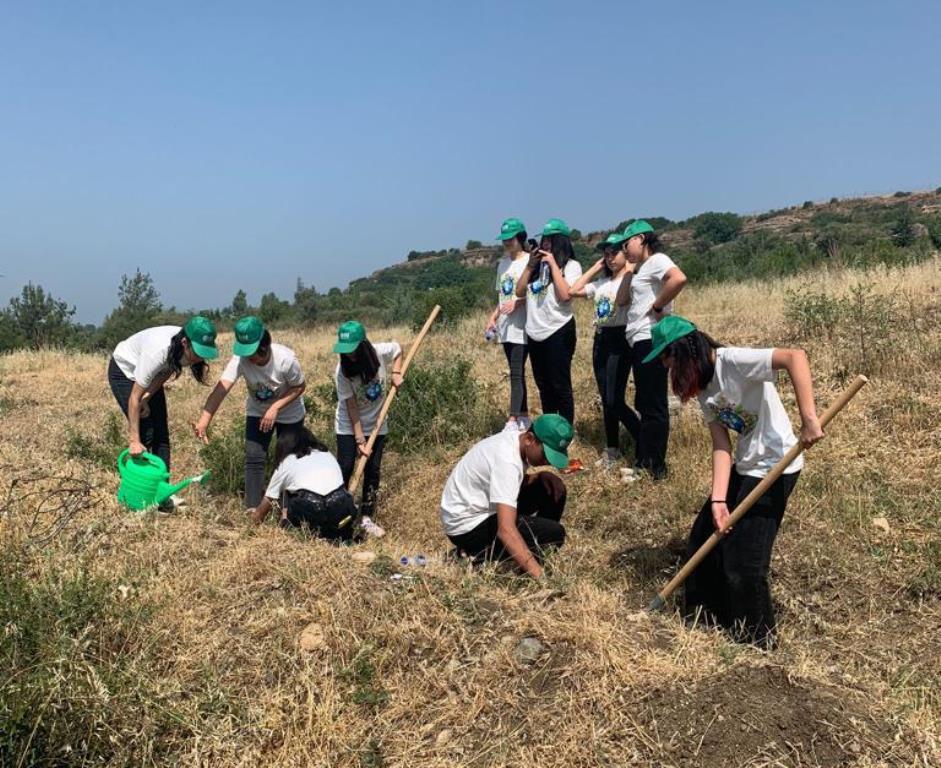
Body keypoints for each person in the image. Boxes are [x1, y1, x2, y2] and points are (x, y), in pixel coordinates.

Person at [646, 315, 824, 648]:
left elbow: (794, 357)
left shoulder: (734, 361)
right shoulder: (702, 386)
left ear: (683, 351)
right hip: (745, 466)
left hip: (777, 466)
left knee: (745, 562)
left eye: (667, 362)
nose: (667, 370)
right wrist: (717, 501)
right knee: (702, 541)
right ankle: (709, 621)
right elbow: (721, 445)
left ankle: (759, 641)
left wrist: (809, 418)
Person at [439, 414, 573, 579]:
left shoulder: (516, 440)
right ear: (530, 439)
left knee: (551, 485)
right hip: (466, 526)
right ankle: (480, 554)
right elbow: (505, 530)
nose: (548, 461)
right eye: (545, 455)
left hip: (481, 507)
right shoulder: (507, 460)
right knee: (553, 534)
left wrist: (537, 479)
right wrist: (542, 579)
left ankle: (527, 554)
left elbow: (509, 482)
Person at [194, 316, 307, 509]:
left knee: (287, 460)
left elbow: (299, 387)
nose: (250, 358)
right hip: (257, 411)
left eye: (253, 353)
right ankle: (253, 508)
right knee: (254, 456)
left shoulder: (285, 360)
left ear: (264, 345)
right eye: (246, 353)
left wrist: (275, 407)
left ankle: (288, 510)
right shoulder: (240, 360)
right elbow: (221, 389)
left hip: (289, 414)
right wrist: (205, 419)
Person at [108, 317, 218, 507]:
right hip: (125, 370)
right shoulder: (158, 352)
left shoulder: (182, 348)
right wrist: (134, 440)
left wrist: (148, 397)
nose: (200, 358)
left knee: (161, 433)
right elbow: (134, 399)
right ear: (185, 343)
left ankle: (163, 492)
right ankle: (141, 493)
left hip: (152, 374)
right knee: (145, 432)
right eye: (198, 352)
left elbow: (167, 370)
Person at [615, 220, 687, 478]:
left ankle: (656, 466)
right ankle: (643, 460)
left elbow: (678, 278)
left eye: (627, 243)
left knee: (654, 403)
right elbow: (622, 300)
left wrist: (658, 306)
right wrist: (630, 270)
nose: (625, 249)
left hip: (651, 338)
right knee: (644, 401)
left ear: (642, 239)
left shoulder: (658, 260)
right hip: (638, 340)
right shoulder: (641, 269)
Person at [570, 232, 641, 468]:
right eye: (606, 254)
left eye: (614, 253)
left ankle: (642, 436)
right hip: (600, 339)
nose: (609, 258)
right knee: (606, 397)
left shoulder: (630, 279)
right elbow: (573, 290)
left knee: (614, 399)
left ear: (625, 253)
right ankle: (612, 448)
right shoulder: (601, 284)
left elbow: (624, 302)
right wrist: (596, 266)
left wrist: (629, 269)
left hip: (620, 338)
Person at [333, 320, 403, 538]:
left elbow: (399, 349)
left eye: (353, 350)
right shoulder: (342, 371)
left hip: (378, 423)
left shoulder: (379, 352)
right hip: (349, 425)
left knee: (372, 470)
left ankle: (366, 517)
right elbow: (351, 406)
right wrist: (360, 440)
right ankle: (338, 513)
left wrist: (396, 372)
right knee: (345, 467)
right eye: (345, 351)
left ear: (363, 345)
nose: (349, 356)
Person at [515, 218, 583, 428]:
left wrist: (553, 264)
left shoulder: (571, 266)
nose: (545, 244)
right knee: (543, 385)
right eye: (544, 240)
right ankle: (550, 428)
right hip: (535, 332)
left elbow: (565, 295)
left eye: (550, 240)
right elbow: (518, 291)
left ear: (560, 242)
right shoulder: (536, 268)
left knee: (560, 385)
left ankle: (565, 429)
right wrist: (530, 266)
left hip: (558, 330)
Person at [247, 427, 357, 542]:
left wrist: (252, 520)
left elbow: (268, 501)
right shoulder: (327, 453)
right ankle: (334, 534)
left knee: (293, 495)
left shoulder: (287, 462)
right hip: (341, 507)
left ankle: (292, 526)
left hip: (311, 509)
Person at [485, 217, 531, 431]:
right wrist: (493, 317)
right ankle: (523, 415)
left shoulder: (530, 261)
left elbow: (538, 295)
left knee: (516, 372)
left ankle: (513, 419)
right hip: (504, 326)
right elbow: (502, 297)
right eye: (504, 240)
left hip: (522, 324)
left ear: (520, 238)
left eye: (510, 239)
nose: (506, 243)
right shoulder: (502, 264)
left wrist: (519, 302)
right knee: (515, 371)